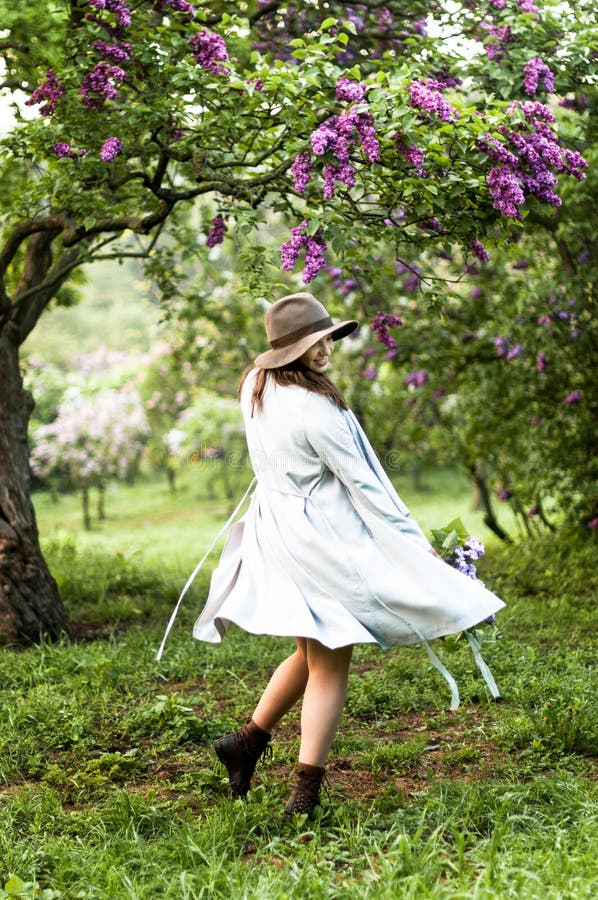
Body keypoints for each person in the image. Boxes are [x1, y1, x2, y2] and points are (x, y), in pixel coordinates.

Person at [180, 292, 505, 819]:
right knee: (332, 661)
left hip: (279, 533)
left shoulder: (254, 385)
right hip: (320, 544)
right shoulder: (316, 408)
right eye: (313, 341)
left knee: (311, 654)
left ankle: (246, 743)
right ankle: (304, 796)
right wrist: (413, 542)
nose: (326, 347)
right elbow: (366, 488)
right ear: (289, 350)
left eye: (327, 336)